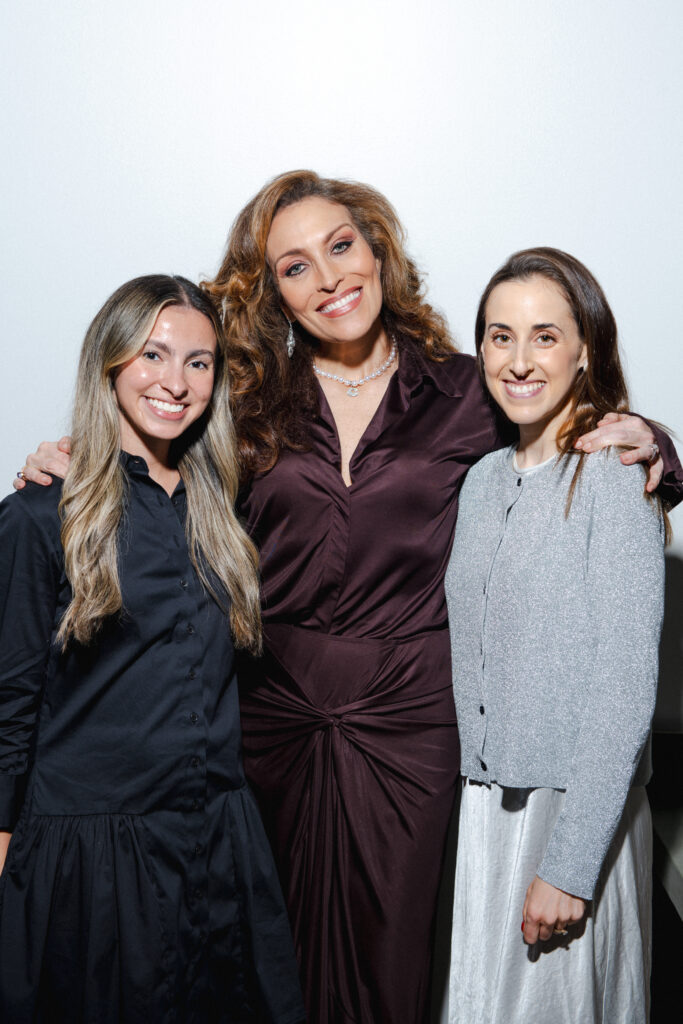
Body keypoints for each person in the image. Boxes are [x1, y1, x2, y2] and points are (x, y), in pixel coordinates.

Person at [14, 174, 682, 1024]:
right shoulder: (245, 400)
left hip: (409, 723)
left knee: (398, 968)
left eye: (340, 246)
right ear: (273, 292)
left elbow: (556, 423)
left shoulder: (466, 389)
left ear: (377, 251)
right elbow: (152, 439)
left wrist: (654, 444)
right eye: (295, 266)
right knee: (261, 958)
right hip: (269, 716)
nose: (327, 277)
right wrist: (67, 458)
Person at [0, 276, 304, 1024]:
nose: (176, 381)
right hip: (91, 860)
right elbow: (9, 700)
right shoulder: (40, 515)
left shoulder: (226, 509)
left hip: (216, 842)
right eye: (153, 354)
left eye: (199, 362)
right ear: (109, 362)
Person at [445, 248, 668, 1024]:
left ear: (583, 350)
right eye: (499, 336)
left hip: (569, 814)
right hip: (481, 815)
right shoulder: (479, 482)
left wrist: (570, 866)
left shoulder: (613, 474)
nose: (518, 360)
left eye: (544, 336)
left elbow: (624, 685)